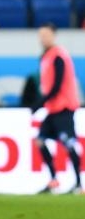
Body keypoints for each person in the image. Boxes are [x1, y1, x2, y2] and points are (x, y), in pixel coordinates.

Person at [32, 23, 82, 194]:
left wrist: (40, 103)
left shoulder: (58, 56)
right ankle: (54, 180)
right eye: (41, 35)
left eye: (46, 35)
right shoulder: (45, 57)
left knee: (69, 144)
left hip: (64, 107)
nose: (43, 38)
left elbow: (57, 84)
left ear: (53, 35)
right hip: (53, 108)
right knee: (39, 141)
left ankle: (78, 183)